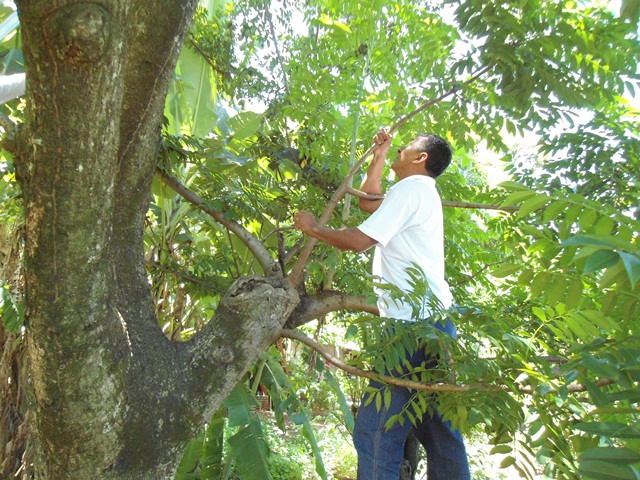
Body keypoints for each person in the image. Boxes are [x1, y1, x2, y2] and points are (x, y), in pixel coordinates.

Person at [293, 129, 470, 479]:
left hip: (409, 327)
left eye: (406, 147)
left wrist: (314, 229)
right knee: (439, 432)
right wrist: (380, 155)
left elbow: (359, 241)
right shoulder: (419, 193)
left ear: (420, 158)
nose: (400, 150)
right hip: (436, 324)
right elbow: (368, 203)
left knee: (376, 430)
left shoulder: (411, 190)